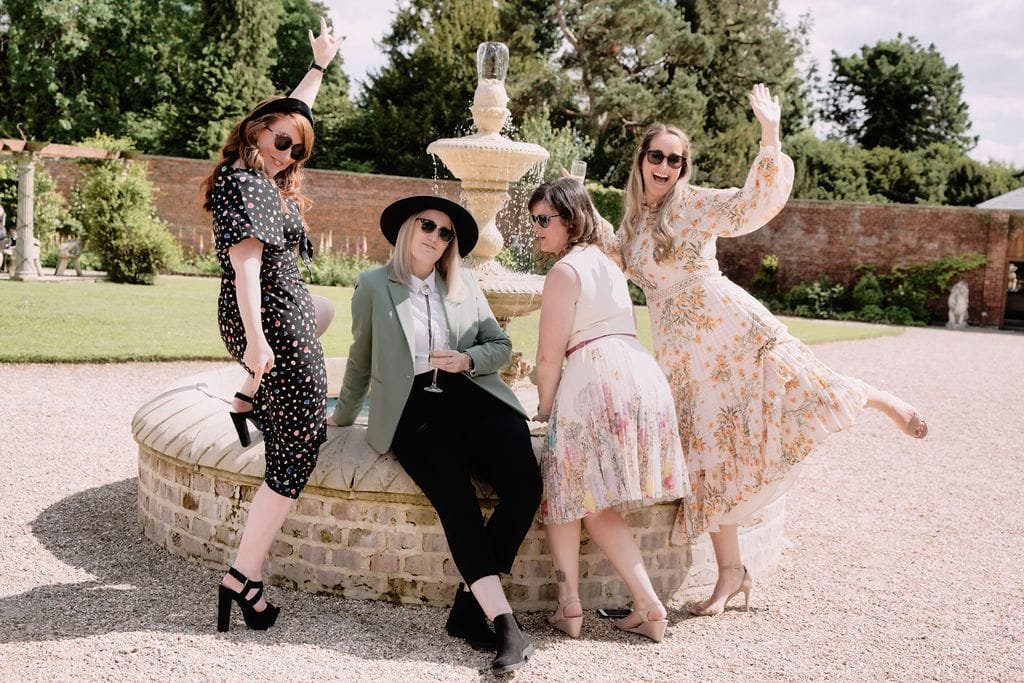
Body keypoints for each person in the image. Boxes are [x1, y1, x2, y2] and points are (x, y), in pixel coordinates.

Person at [616, 84, 928, 617]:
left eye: (676, 159)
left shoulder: (692, 204)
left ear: (683, 166)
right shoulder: (631, 224)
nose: (665, 166)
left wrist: (769, 132)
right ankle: (730, 575)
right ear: (641, 161)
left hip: (726, 324)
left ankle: (878, 398)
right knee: (710, 455)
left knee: (800, 381)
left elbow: (749, 206)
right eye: (657, 156)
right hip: (683, 355)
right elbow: (609, 257)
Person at [328, 195, 542, 674]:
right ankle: (505, 624)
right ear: (409, 227)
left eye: (447, 233)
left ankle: (468, 609)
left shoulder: (463, 283)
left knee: (525, 485)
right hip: (414, 411)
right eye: (429, 225)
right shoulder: (373, 286)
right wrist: (341, 417)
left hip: (473, 397)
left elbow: (501, 345)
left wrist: (468, 360)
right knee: (457, 500)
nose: (436, 237)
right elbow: (360, 359)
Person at [200, 17, 342, 632]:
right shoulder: (249, 185)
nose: (288, 155)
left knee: (328, 311)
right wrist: (258, 343)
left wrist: (318, 69)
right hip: (274, 322)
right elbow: (248, 265)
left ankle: (245, 400)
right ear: (255, 132)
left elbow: (292, 115)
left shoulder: (252, 175)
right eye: (280, 142)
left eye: (297, 150)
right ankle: (243, 576)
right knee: (297, 451)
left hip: (282, 317)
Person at [530, 178, 688, 643]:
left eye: (544, 220)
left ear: (571, 219)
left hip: (594, 378)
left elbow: (546, 356)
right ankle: (648, 605)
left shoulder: (564, 271)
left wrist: (543, 407)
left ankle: (571, 606)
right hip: (637, 372)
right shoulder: (608, 263)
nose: (536, 230)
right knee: (591, 503)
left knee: (562, 490)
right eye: (533, 220)